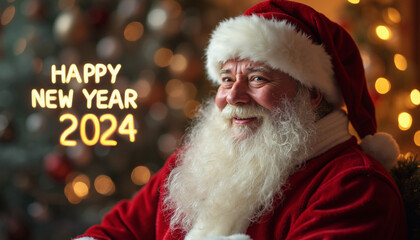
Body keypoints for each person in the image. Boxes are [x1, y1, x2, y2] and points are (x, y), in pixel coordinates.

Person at [74, 0, 407, 239]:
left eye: (258, 78)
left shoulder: (355, 187)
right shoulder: (194, 164)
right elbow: (117, 231)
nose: (232, 97)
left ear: (313, 93)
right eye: (226, 79)